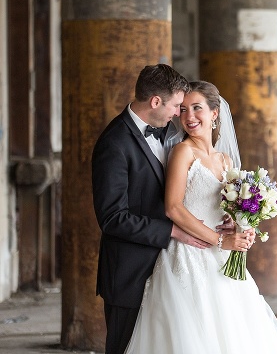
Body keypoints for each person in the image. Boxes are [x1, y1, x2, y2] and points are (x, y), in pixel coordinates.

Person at [125, 80, 277, 354]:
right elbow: (173, 208)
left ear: (214, 113)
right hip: (189, 254)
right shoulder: (182, 152)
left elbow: (223, 206)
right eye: (183, 109)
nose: (189, 116)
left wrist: (239, 225)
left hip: (221, 256)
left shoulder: (225, 160)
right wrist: (219, 240)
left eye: (197, 108)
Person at [91, 64, 248, 354]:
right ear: (155, 102)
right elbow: (112, 218)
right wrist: (175, 231)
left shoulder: (168, 134)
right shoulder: (114, 143)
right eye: (178, 106)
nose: (180, 114)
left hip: (182, 264)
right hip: (132, 268)